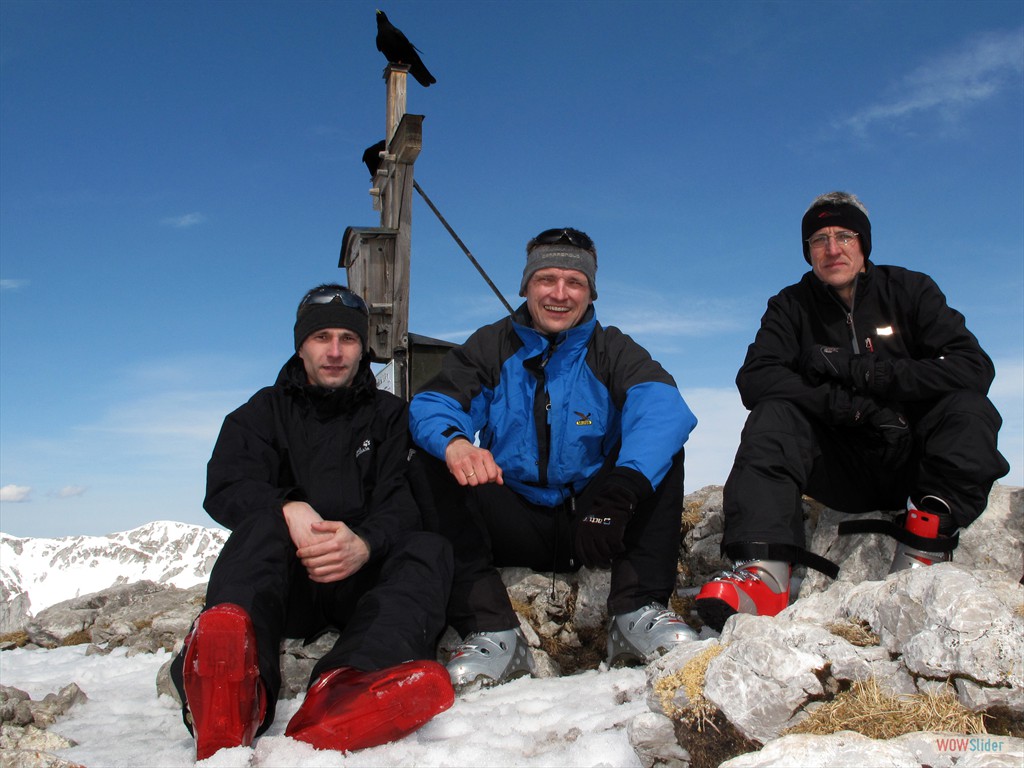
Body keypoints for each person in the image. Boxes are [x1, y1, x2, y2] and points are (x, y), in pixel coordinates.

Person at [694, 191, 1010, 632]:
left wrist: (866, 373)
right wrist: (848, 407)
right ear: (808, 252)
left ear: (864, 244)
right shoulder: (791, 305)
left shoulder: (910, 290)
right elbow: (757, 378)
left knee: (968, 408)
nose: (832, 248)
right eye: (819, 239)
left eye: (844, 235)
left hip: (913, 463)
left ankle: (924, 547)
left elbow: (973, 368)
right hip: (839, 464)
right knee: (774, 416)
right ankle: (762, 576)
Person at [169, 284, 455, 760]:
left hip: (361, 582)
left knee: (429, 549)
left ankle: (346, 690)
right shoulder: (262, 412)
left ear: (364, 348)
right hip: (288, 586)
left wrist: (364, 542)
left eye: (348, 338)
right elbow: (225, 485)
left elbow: (404, 500)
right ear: (301, 344)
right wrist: (287, 508)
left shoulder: (389, 416)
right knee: (259, 527)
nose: (336, 351)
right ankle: (236, 695)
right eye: (322, 337)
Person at [408, 227, 699, 688]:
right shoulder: (492, 346)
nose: (559, 294)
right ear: (526, 286)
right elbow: (433, 404)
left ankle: (637, 609)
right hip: (515, 515)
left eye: (574, 282)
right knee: (428, 461)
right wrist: (457, 444)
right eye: (546, 279)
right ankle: (492, 629)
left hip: (595, 520)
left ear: (590, 292)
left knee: (660, 452)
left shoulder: (612, 350)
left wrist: (621, 490)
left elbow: (663, 407)